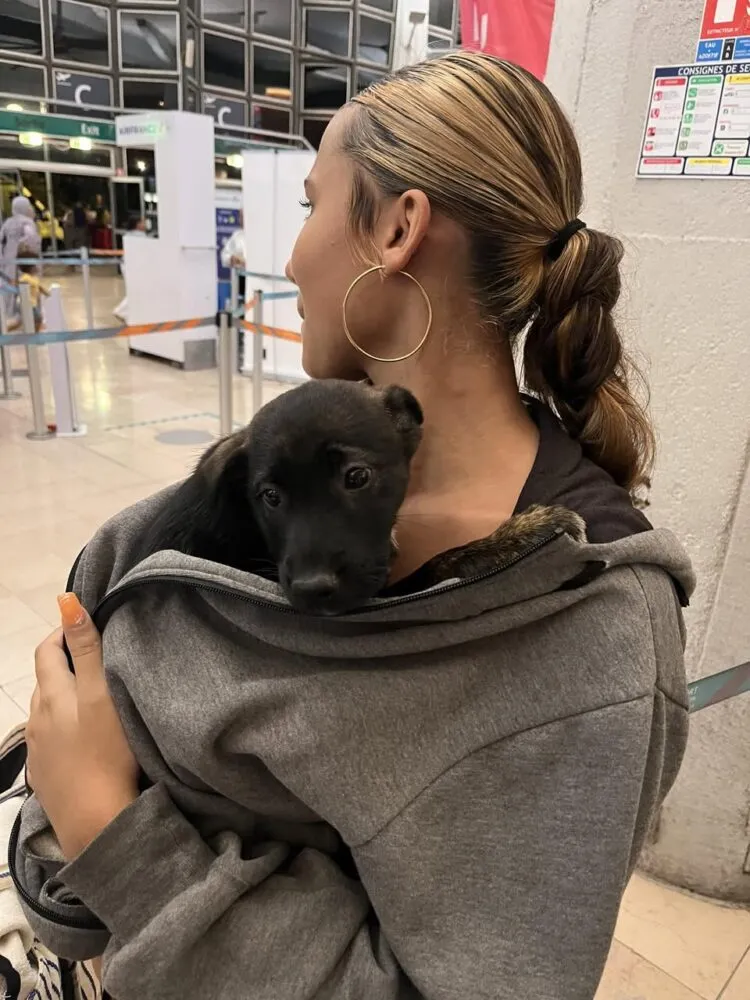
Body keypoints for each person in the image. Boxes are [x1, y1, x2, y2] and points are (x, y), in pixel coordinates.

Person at [24, 53, 693, 1000]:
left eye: (310, 204)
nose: (292, 256)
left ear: (397, 228)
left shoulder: (592, 634)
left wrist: (107, 832)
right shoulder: (267, 465)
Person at [0, 195, 41, 320]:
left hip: (8, 261)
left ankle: (9, 314)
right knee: (28, 287)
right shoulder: (27, 222)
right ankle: (28, 315)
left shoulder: (7, 222)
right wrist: (22, 246)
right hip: (24, 262)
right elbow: (31, 238)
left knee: (10, 287)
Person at [112, 215, 147, 323]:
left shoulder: (128, 235)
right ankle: (120, 311)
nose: (145, 224)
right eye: (142, 222)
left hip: (126, 265)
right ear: (137, 224)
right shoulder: (141, 236)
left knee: (134, 290)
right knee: (137, 291)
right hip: (134, 266)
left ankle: (128, 315)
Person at [15, 242, 49, 331]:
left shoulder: (34, 278)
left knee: (20, 322)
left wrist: (47, 293)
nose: (38, 267)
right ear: (30, 267)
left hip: (31, 303)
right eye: (36, 265)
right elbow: (19, 283)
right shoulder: (25, 277)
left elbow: (39, 287)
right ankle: (35, 334)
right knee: (38, 319)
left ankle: (5, 330)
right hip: (27, 304)